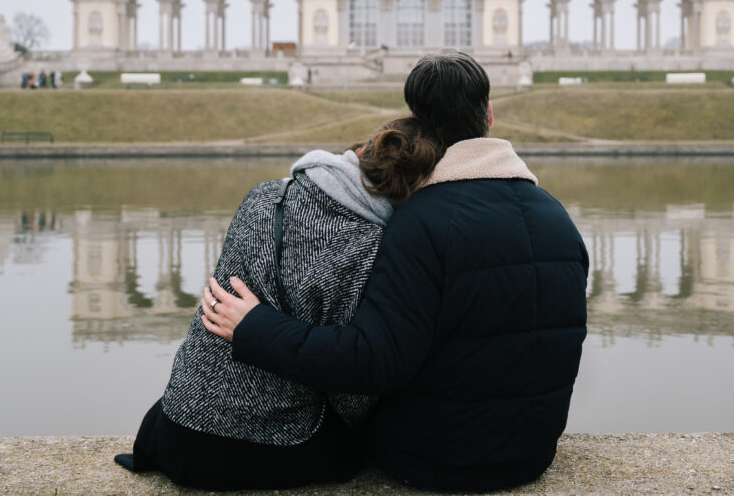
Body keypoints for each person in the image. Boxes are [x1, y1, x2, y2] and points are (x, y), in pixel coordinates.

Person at [202, 52, 589, 492]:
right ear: (490, 115)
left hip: (432, 460)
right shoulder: (557, 215)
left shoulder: (420, 220)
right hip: (532, 452)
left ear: (415, 121)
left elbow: (373, 362)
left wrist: (255, 329)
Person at [114, 117, 441, 490]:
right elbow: (350, 394)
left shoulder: (265, 195)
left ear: (362, 153)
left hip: (176, 427)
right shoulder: (371, 249)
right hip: (254, 446)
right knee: (358, 451)